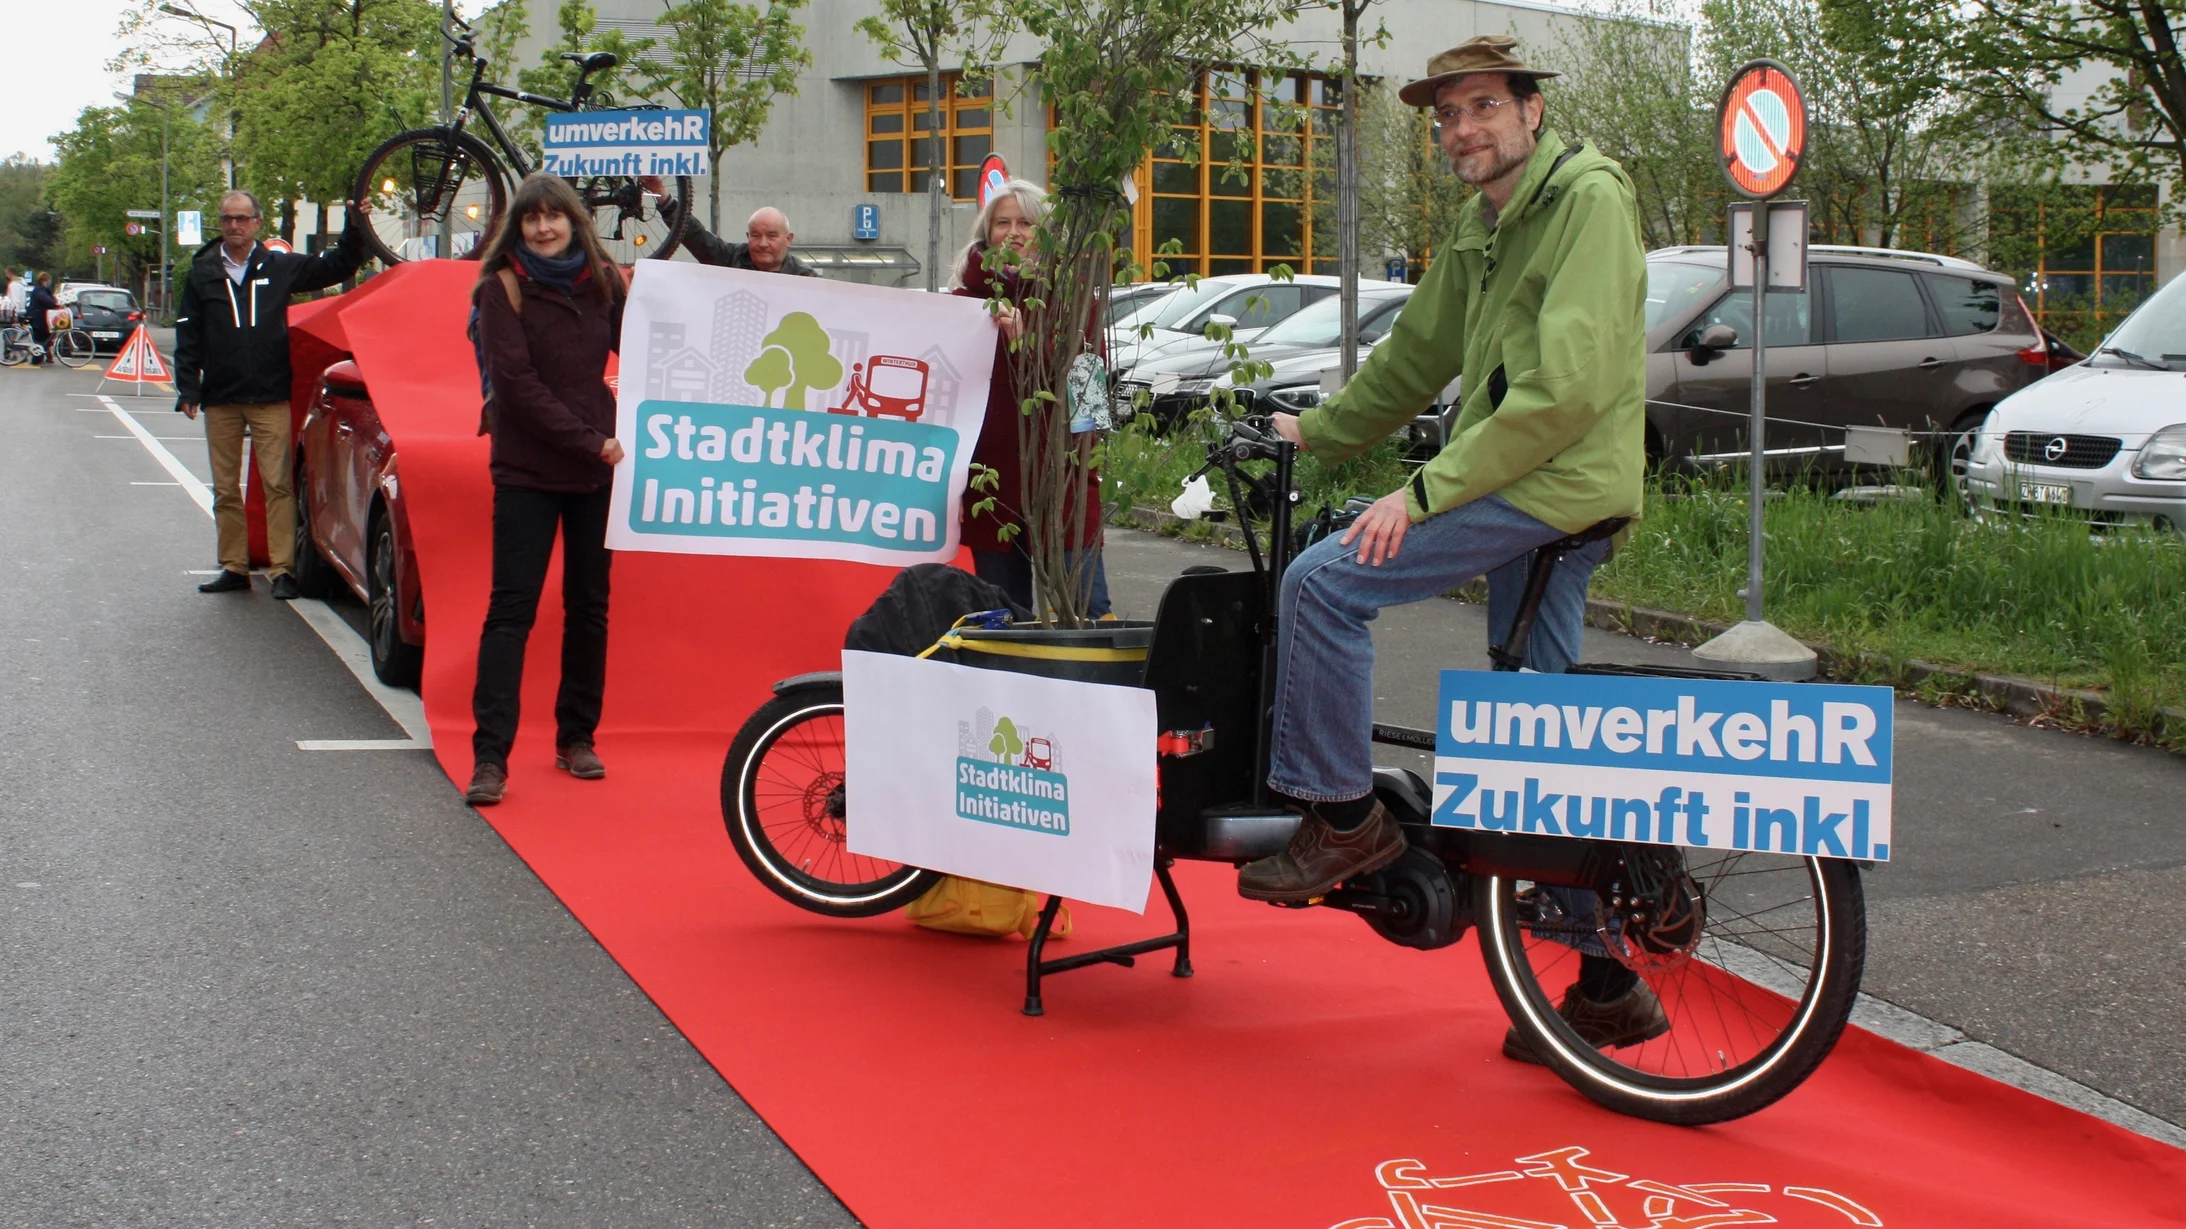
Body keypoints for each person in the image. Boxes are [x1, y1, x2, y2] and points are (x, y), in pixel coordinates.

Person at [1232, 37, 1654, 1059]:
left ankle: (1341, 818)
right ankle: (1602, 981)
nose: (1461, 129)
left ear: (1530, 112)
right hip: (1535, 483)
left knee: (1322, 585)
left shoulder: (1586, 203)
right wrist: (1316, 431)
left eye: (1479, 108)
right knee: (1534, 741)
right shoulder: (1486, 224)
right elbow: (1416, 354)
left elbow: (1559, 394)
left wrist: (1417, 496)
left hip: (1546, 481)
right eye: (1446, 117)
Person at [463, 173, 628, 807]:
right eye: (532, 219)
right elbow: (516, 388)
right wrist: (591, 439)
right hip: (529, 470)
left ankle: (577, 738)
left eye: (553, 217)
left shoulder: (605, 284)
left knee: (590, 609)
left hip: (594, 474)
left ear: (574, 220)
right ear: (518, 226)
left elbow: (652, 350)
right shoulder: (500, 289)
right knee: (511, 613)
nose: (542, 228)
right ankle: (490, 758)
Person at [174, 190, 370, 598]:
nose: (235, 226)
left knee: (278, 484)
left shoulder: (278, 266)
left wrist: (354, 226)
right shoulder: (203, 271)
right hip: (221, 397)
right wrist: (188, 387)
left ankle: (283, 569)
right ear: (220, 222)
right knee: (225, 488)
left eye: (243, 219)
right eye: (228, 219)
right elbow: (189, 332)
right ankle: (234, 566)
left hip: (268, 394)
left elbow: (336, 265)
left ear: (257, 223)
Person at [948, 178, 1110, 618]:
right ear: (987, 232)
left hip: (1063, 483)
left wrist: (1027, 346)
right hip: (991, 486)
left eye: (1026, 223)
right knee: (1003, 618)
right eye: (1003, 222)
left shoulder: (1075, 304)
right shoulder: (963, 305)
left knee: (1086, 614)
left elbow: (1089, 405)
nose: (1014, 233)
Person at [638, 181, 821, 277]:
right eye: (755, 236)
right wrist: (660, 193)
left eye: (772, 236)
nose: (763, 243)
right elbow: (695, 236)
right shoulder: (730, 257)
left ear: (788, 238)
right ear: (747, 236)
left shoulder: (805, 279)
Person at [26, 273, 59, 365]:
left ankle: (41, 357)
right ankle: (36, 359)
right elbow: (46, 300)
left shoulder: (41, 289)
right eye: (48, 280)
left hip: (41, 316)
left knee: (44, 336)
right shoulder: (39, 290)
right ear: (43, 281)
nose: (49, 282)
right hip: (38, 317)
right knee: (40, 337)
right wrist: (54, 303)